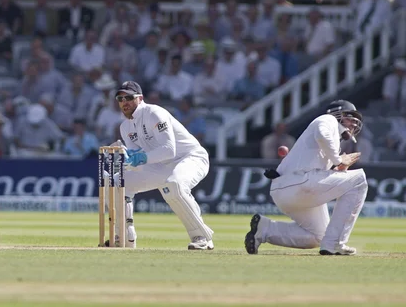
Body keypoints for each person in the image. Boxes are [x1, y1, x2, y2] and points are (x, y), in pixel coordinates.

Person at [244, 100, 367, 256]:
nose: (354, 123)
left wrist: (338, 167)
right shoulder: (326, 119)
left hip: (286, 190)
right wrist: (338, 160)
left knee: (319, 237)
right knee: (359, 181)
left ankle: (264, 229)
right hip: (298, 183)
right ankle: (336, 243)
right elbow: (322, 134)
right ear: (337, 114)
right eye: (350, 117)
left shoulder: (334, 137)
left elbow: (319, 167)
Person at [108, 81, 215, 250]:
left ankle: (201, 237)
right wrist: (125, 156)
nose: (124, 102)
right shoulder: (125, 126)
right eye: (120, 98)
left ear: (140, 98)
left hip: (190, 158)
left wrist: (139, 158)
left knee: (174, 184)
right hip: (160, 165)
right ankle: (125, 238)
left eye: (129, 97)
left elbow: (169, 150)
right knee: (116, 182)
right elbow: (138, 158)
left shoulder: (154, 113)